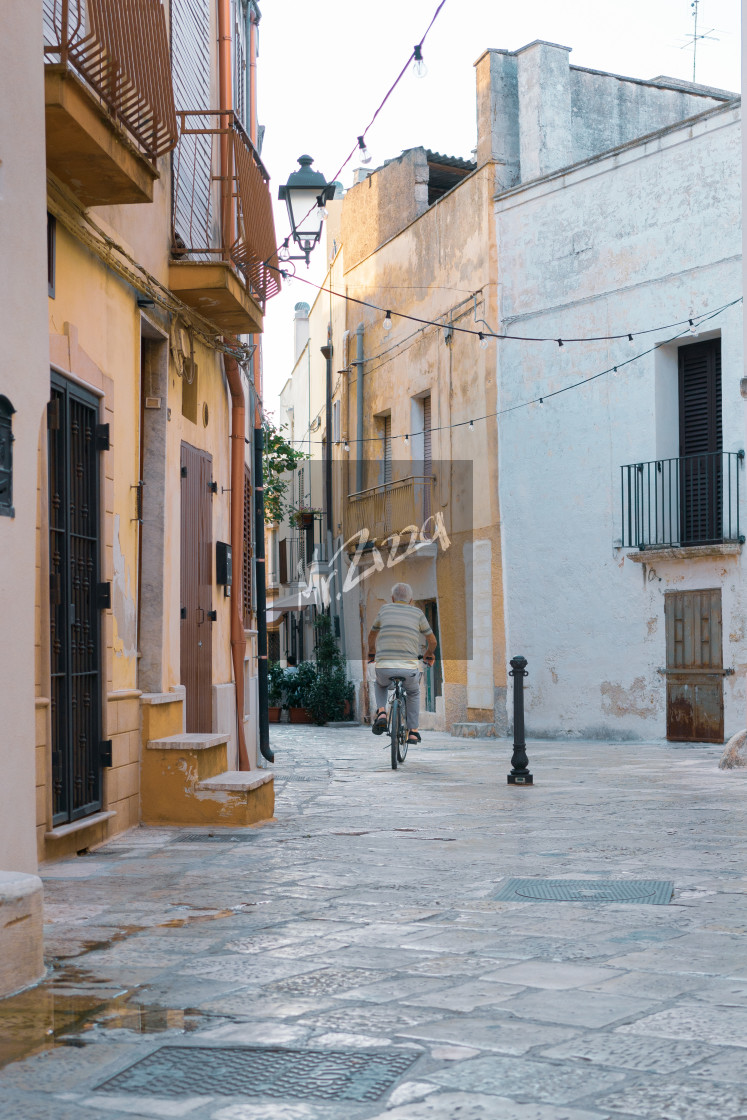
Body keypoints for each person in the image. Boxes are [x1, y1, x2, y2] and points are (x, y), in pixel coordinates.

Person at [367, 582, 437, 745]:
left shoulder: (384, 610)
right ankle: (413, 732)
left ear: (392, 598)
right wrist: (428, 653)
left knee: (380, 684)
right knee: (413, 692)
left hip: (385, 667)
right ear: (411, 600)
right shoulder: (418, 613)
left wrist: (371, 652)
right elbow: (432, 641)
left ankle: (382, 713)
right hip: (409, 668)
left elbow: (371, 635)